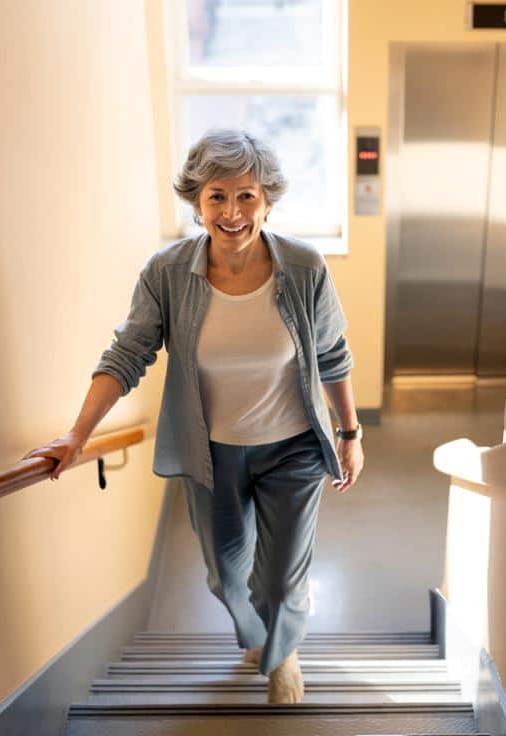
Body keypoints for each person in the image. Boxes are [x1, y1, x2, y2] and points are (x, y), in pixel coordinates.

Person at [24, 129, 363, 704]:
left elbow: (332, 353)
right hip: (211, 453)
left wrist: (350, 433)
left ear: (267, 200)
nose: (232, 212)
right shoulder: (168, 273)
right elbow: (127, 353)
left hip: (294, 447)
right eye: (217, 197)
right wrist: (79, 434)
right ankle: (257, 633)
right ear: (196, 201)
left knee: (281, 578)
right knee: (226, 575)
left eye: (246, 196)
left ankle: (282, 652)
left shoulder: (304, 268)